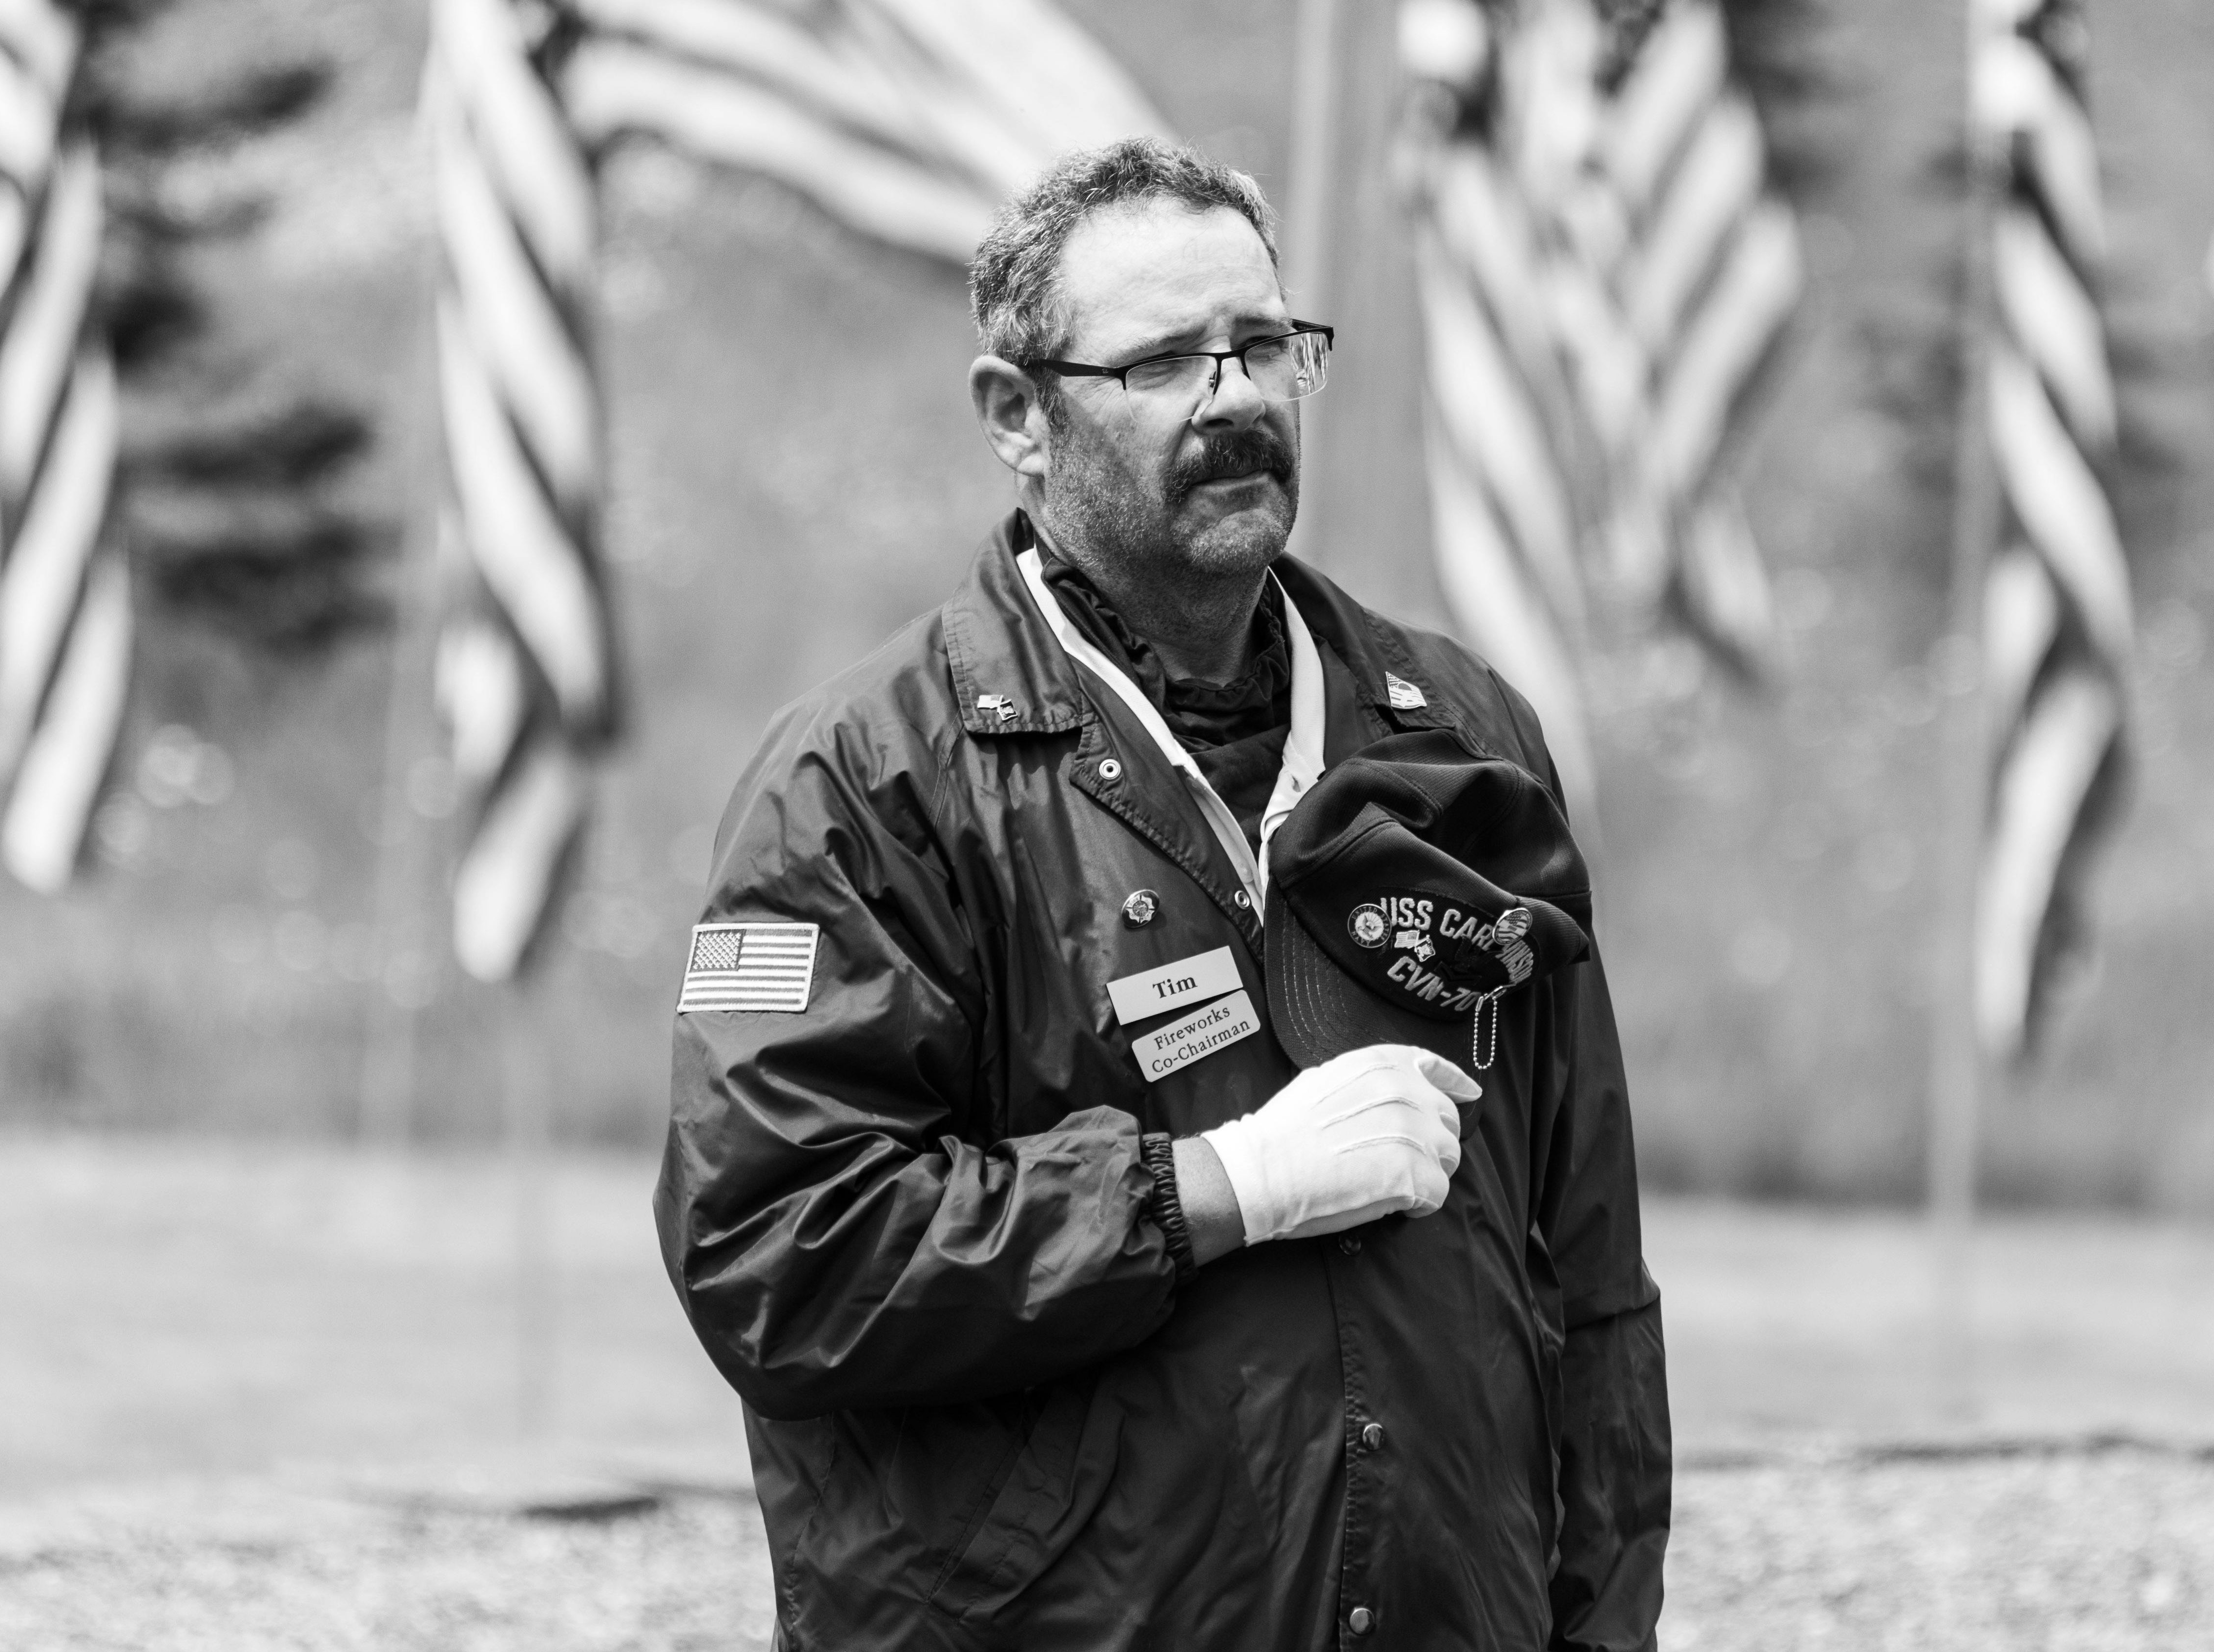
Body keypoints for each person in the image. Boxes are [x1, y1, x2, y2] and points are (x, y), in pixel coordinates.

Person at [656, 136, 1667, 1652]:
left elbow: (1585, 1273)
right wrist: (1213, 1189)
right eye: (1166, 362)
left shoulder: (1463, 737)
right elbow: (779, 1256)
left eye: (1264, 345)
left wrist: (1601, 1627)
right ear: (1018, 415)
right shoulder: (866, 784)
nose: (1238, 397)